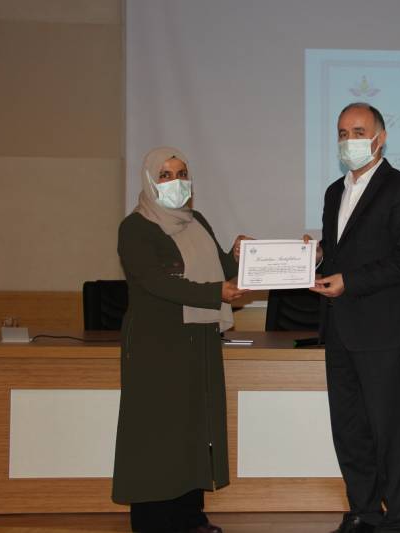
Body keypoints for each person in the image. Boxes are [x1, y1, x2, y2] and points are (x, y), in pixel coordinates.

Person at [112, 147, 247, 533]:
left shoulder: (196, 220)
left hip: (198, 341)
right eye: (166, 175)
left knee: (193, 432)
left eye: (182, 173)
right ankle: (154, 523)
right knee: (156, 436)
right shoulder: (135, 228)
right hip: (157, 346)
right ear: (150, 181)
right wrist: (215, 293)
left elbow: (219, 267)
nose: (177, 182)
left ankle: (190, 518)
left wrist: (239, 255)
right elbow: (157, 282)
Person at [309, 103, 400, 533]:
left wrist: (350, 281)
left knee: (389, 430)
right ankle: (363, 511)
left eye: (358, 132)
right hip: (339, 329)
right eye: (342, 133)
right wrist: (316, 257)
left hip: (382, 330)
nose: (349, 141)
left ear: (381, 137)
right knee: (350, 428)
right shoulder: (333, 192)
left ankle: (399, 520)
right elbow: (338, 253)